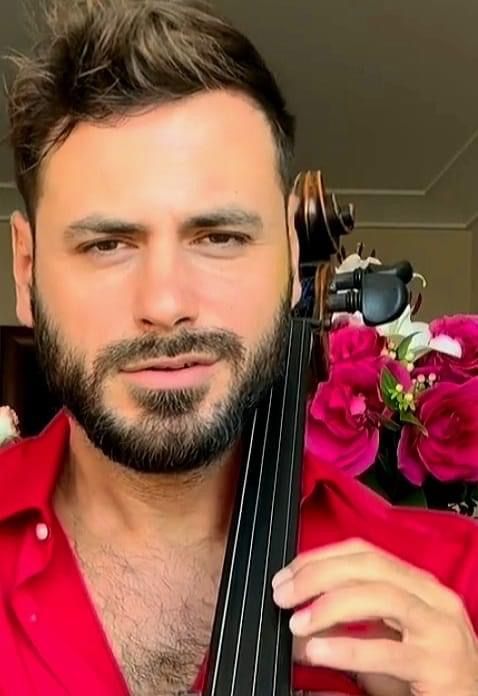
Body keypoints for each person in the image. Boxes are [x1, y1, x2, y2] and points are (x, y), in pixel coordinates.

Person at [2, 1, 478, 694]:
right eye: (107, 244)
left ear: (290, 249)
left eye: (219, 237)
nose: (165, 304)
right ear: (26, 268)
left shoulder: (457, 587)